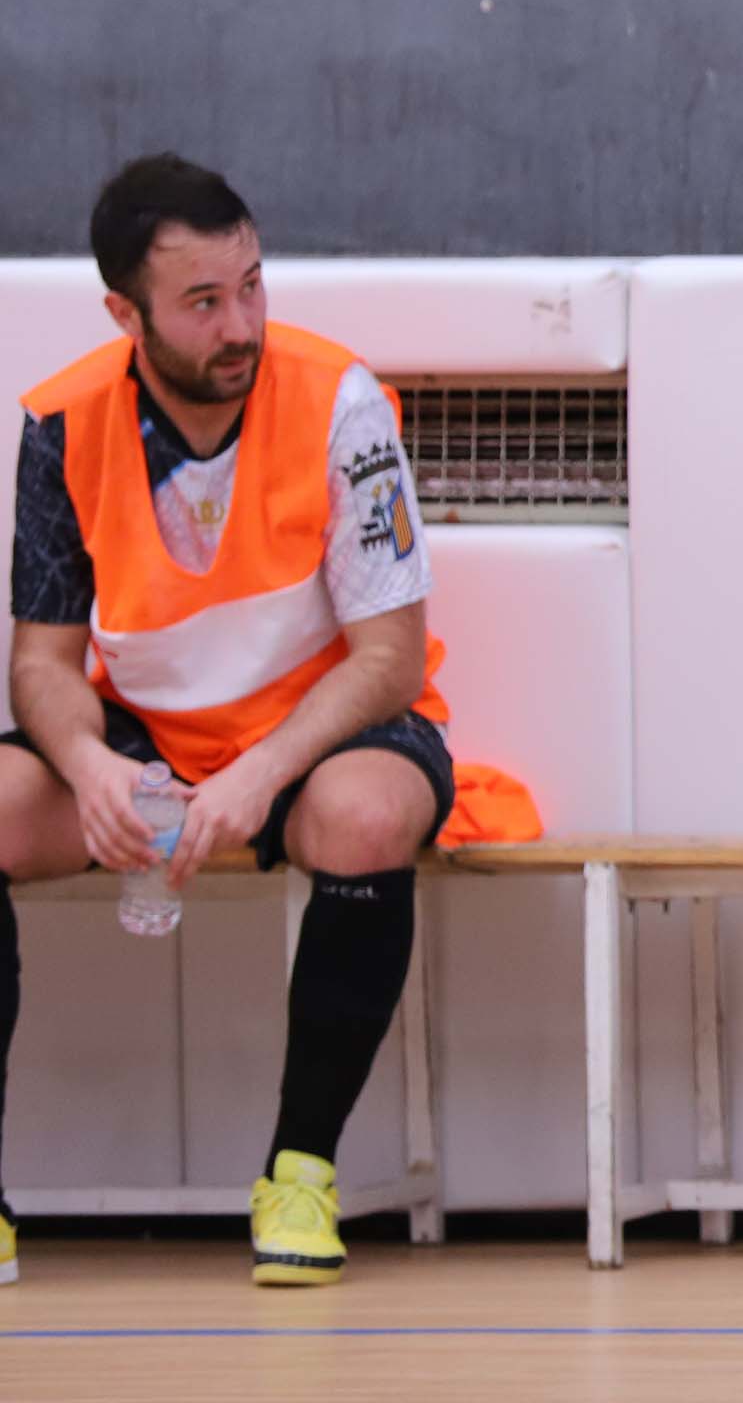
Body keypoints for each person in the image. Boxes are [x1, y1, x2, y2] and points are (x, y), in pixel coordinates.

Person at [2, 155, 456, 1289]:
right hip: (150, 727)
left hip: (321, 726)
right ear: (126, 313)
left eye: (252, 284)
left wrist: (262, 771)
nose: (242, 321)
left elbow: (390, 658)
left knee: (361, 817)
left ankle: (300, 1167)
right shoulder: (60, 422)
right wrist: (86, 761)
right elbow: (43, 663)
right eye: (205, 301)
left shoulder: (341, 399)